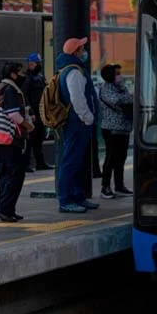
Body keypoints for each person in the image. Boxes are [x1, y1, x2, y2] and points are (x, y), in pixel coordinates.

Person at [55, 37, 99, 213]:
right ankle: (65, 200)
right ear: (75, 52)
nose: (84, 51)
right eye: (82, 48)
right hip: (78, 122)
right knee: (71, 161)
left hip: (77, 122)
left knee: (76, 161)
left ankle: (78, 196)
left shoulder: (68, 69)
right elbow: (77, 98)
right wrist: (87, 117)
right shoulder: (74, 72)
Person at [0, 62, 33, 222]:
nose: (23, 75)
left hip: (1, 137)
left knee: (6, 172)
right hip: (10, 137)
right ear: (13, 74)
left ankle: (7, 209)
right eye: (21, 72)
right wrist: (29, 126)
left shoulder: (1, 87)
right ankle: (5, 209)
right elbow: (14, 115)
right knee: (15, 173)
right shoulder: (11, 89)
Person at [98, 64, 133, 199]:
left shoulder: (121, 87)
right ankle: (105, 187)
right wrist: (130, 98)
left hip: (124, 128)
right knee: (111, 158)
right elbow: (118, 100)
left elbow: (129, 98)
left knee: (121, 158)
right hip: (111, 129)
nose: (120, 76)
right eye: (117, 73)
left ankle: (119, 186)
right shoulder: (106, 89)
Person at [21, 52, 53, 172]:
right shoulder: (27, 78)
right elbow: (24, 95)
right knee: (30, 139)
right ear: (29, 64)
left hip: (41, 111)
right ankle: (26, 164)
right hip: (32, 113)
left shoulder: (40, 77)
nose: (36, 65)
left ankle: (41, 163)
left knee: (39, 138)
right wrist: (31, 112)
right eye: (34, 63)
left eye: (38, 63)